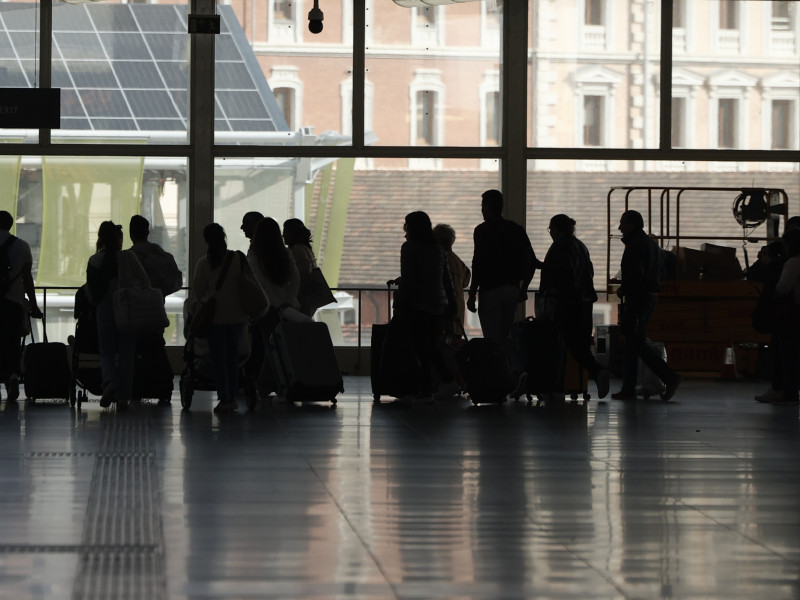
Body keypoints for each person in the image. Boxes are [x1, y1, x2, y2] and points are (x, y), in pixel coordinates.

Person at [611, 210, 681, 401]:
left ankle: (669, 376)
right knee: (632, 342)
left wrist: (623, 289)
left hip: (638, 298)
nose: (620, 228)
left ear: (632, 224)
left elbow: (634, 274)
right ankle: (628, 388)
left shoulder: (636, 246)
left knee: (636, 342)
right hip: (648, 296)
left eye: (622, 223)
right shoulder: (650, 245)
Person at [539, 214, 609, 399]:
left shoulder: (559, 246)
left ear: (556, 229)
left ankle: (560, 385)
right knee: (580, 345)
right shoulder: (580, 246)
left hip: (568, 303)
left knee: (564, 344)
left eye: (550, 229)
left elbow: (557, 275)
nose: (550, 233)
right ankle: (591, 374)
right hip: (585, 302)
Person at [393, 211, 457, 402]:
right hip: (439, 304)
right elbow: (446, 280)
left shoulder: (409, 248)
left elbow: (409, 279)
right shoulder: (438, 249)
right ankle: (443, 383)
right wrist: (452, 305)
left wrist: (401, 304)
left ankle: (427, 388)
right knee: (430, 346)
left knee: (420, 348)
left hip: (417, 304)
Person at [86, 221, 150, 411]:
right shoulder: (128, 257)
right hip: (128, 307)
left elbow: (90, 290)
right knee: (127, 353)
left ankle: (109, 381)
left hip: (104, 307)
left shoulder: (94, 260)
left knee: (106, 350)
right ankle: (123, 397)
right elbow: (144, 281)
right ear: (118, 239)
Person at [191, 223, 250, 413]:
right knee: (233, 357)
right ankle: (232, 396)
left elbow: (198, 292)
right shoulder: (238, 258)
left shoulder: (203, 263)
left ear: (206, 240)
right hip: (238, 316)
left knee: (218, 359)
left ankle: (224, 397)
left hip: (215, 318)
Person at [467, 189, 540, 338]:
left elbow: (478, 263)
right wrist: (523, 288)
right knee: (505, 336)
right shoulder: (517, 229)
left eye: (482, 205)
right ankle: (505, 360)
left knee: (491, 337)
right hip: (512, 289)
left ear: (487, 207)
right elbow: (531, 261)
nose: (481, 209)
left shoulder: (482, 230)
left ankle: (494, 361)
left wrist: (472, 294)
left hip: (490, 290)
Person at [749, 215, 800, 403]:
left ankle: (786, 390)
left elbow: (782, 288)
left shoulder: (793, 262)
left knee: (786, 354)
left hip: (792, 314)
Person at [249, 217, 299, 396]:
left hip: (266, 308)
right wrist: (288, 299)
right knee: (281, 347)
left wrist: (267, 301)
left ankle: (263, 386)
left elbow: (257, 280)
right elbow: (295, 279)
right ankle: (278, 383)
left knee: (270, 346)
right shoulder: (285, 253)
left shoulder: (254, 254)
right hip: (286, 308)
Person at [0, 210, 43, 401]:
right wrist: (33, 306)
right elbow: (27, 280)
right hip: (14, 304)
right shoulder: (22, 246)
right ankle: (13, 376)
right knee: (13, 342)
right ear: (10, 225)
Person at [129, 215, 182, 298]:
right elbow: (176, 282)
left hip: (135, 307)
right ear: (147, 233)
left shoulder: (128, 258)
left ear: (131, 234)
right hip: (157, 306)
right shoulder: (162, 255)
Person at [433, 223, 471, 333]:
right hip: (457, 311)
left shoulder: (438, 260)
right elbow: (465, 282)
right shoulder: (458, 262)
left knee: (442, 344)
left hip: (442, 311)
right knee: (454, 344)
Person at [283, 218, 320, 317]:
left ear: (292, 233)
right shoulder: (305, 248)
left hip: (301, 298)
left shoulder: (297, 249)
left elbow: (303, 271)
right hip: (309, 296)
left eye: (285, 232)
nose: (283, 236)